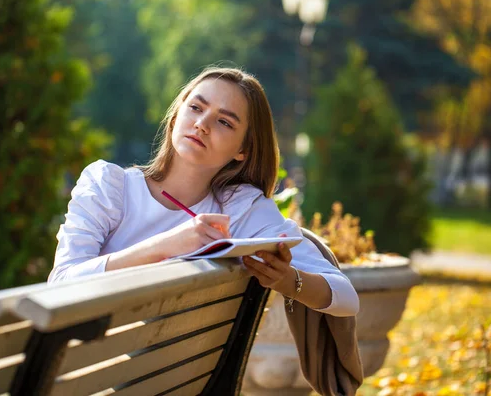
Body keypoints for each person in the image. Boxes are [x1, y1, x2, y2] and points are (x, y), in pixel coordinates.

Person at [48, 67, 359, 318]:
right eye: (195, 107)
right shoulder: (108, 186)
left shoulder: (241, 210)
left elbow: (345, 298)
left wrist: (288, 280)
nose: (202, 124)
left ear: (243, 150)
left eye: (224, 121)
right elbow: (62, 283)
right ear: (175, 117)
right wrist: (166, 246)